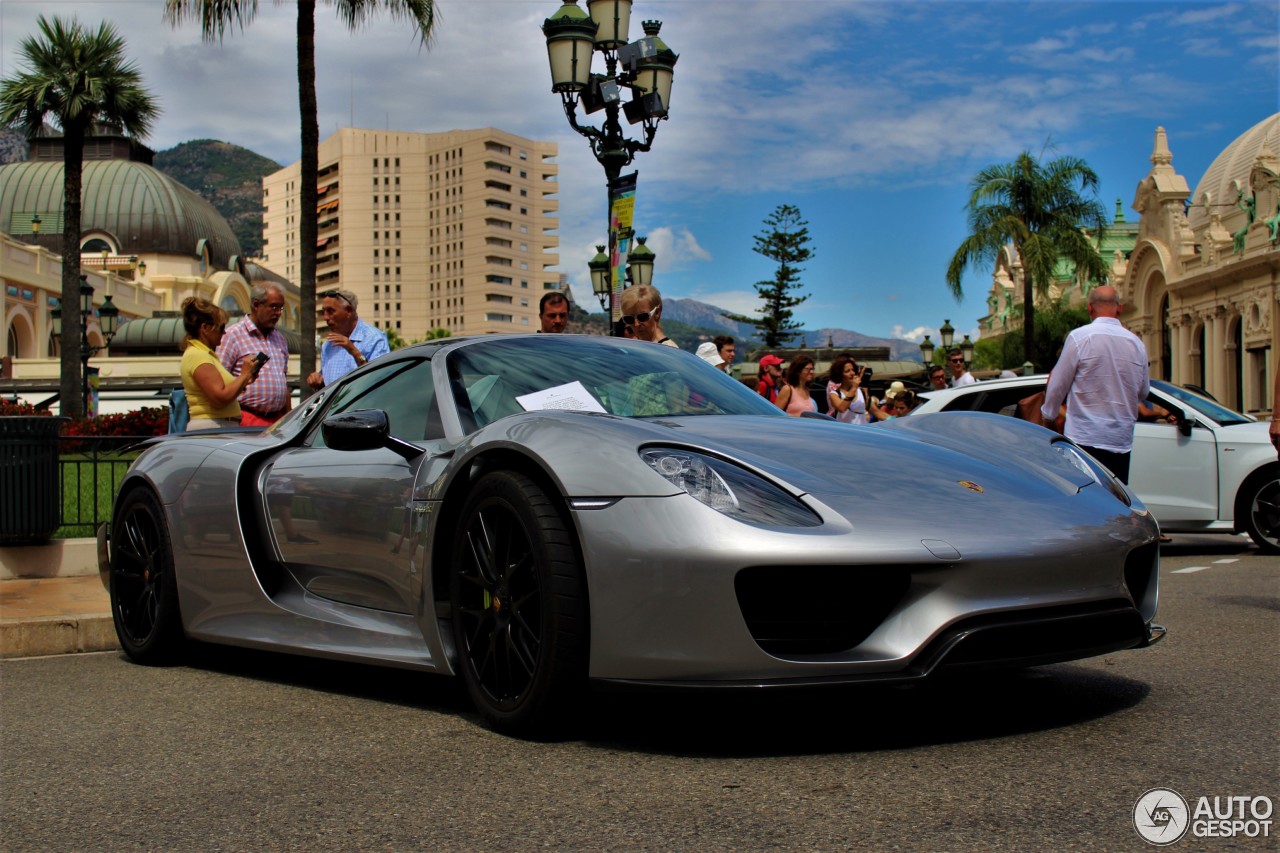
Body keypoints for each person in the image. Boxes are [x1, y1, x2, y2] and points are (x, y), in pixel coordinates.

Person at [1041, 285, 1150, 484]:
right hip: (1120, 442)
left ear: (1090, 309)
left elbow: (1057, 386)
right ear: (1120, 309)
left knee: (1084, 502)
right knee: (1114, 504)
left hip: (1083, 441)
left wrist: (1048, 415)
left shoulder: (1079, 338)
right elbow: (1143, 392)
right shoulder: (1136, 344)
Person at [179, 296, 261, 430]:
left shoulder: (204, 354)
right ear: (205, 328)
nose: (224, 332)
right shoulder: (197, 355)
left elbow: (223, 392)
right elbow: (219, 399)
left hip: (219, 425)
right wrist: (244, 375)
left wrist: (244, 381)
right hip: (212, 426)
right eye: (221, 327)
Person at [218, 283, 292, 426]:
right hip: (245, 419)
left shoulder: (280, 339)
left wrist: (289, 418)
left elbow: (283, 381)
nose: (278, 313)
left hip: (278, 421)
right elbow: (219, 381)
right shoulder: (232, 336)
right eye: (274, 307)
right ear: (256, 305)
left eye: (281, 308)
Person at [306, 288, 390, 390]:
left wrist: (353, 351)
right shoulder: (328, 345)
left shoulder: (374, 339)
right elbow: (328, 387)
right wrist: (318, 381)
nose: (325, 317)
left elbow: (380, 380)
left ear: (349, 310)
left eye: (330, 311)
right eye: (323, 311)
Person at [826, 354, 869, 425]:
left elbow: (870, 408)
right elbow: (842, 408)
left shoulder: (861, 391)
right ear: (840, 374)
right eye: (847, 371)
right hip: (845, 433)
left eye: (853, 370)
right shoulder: (834, 394)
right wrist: (854, 387)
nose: (852, 373)